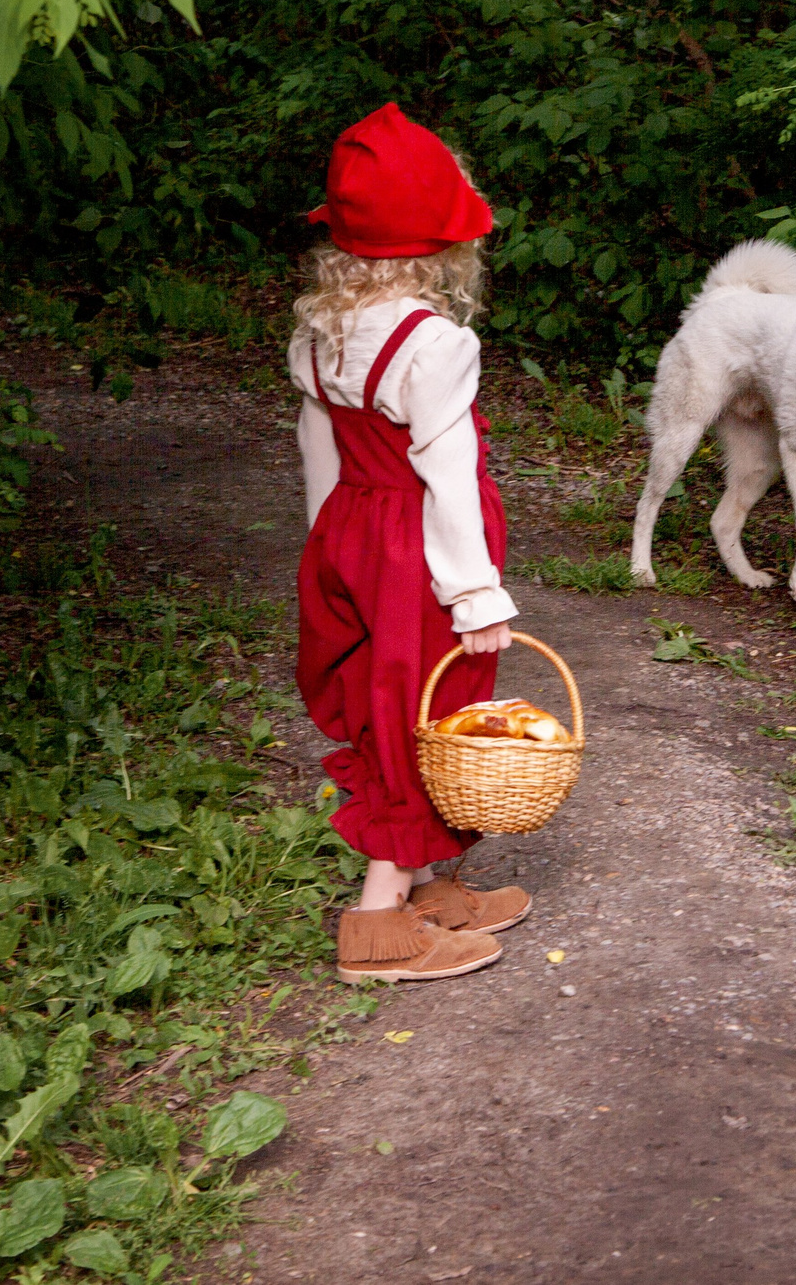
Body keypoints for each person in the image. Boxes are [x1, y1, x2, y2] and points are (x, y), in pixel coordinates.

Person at [291, 103, 533, 982]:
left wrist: (327, 543)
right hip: (417, 551)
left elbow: (319, 444)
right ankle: (378, 922)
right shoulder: (434, 343)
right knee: (422, 716)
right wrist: (473, 592)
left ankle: (428, 886)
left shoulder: (319, 333)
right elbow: (446, 467)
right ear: (442, 242)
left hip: (354, 534)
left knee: (381, 697)